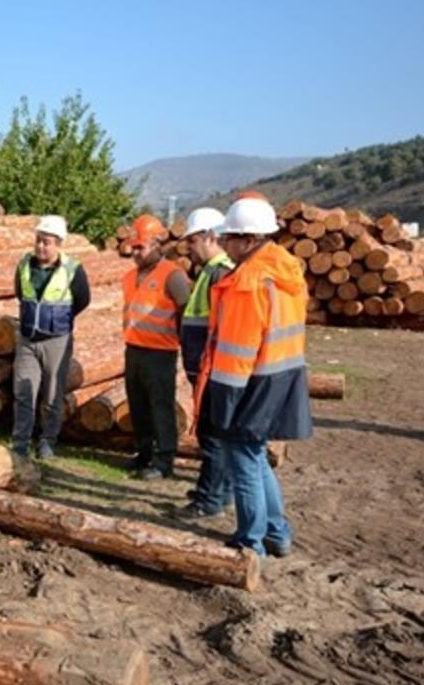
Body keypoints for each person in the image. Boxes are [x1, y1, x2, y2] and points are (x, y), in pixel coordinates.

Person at [196, 193, 312, 557]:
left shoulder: (249, 282)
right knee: (257, 457)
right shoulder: (285, 269)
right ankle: (277, 534)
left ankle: (251, 542)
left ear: (249, 239)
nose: (224, 245)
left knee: (243, 461)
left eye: (228, 238)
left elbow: (238, 351)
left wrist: (224, 402)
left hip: (250, 384)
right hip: (281, 377)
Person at [10, 215, 91, 459]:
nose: (41, 246)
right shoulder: (24, 266)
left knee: (52, 394)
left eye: (46, 242)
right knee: (23, 392)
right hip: (28, 339)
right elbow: (20, 294)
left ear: (58, 244)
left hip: (57, 340)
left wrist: (59, 318)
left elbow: (83, 300)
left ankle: (47, 441)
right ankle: (20, 443)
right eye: (38, 240)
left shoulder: (73, 270)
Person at [175, 207, 236, 518]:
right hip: (204, 366)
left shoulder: (220, 273)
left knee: (212, 435)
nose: (189, 248)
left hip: (212, 368)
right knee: (213, 433)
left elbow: (222, 326)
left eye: (193, 240)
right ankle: (218, 492)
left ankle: (209, 500)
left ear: (211, 237)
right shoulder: (208, 271)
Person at [122, 214, 191, 480]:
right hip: (134, 349)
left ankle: (164, 461)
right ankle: (144, 454)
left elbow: (186, 312)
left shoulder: (172, 276)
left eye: (140, 247)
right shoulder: (130, 277)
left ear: (156, 244)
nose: (135, 253)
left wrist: (184, 344)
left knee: (161, 407)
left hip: (161, 353)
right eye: (133, 247)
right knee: (138, 405)